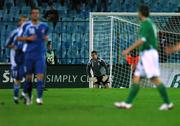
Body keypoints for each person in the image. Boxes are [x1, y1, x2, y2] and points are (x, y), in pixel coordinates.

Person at [114, 4, 173, 110]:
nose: (137, 13)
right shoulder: (149, 23)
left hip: (148, 54)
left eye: (138, 12)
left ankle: (168, 103)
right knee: (136, 78)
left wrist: (128, 50)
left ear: (141, 13)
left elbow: (142, 40)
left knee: (154, 79)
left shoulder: (146, 23)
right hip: (147, 54)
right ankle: (128, 103)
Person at [17, 7, 48, 105]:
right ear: (31, 14)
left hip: (39, 55)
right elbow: (19, 38)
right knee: (28, 78)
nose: (35, 15)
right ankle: (26, 95)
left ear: (39, 14)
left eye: (37, 13)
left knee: (39, 77)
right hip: (29, 55)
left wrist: (45, 38)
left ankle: (39, 98)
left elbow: (45, 37)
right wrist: (28, 38)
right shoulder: (26, 26)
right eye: (34, 13)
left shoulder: (44, 26)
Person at [5, 16, 27, 104]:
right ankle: (15, 97)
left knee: (28, 76)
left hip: (25, 59)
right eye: (23, 21)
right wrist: (16, 47)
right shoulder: (14, 33)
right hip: (15, 60)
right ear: (19, 22)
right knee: (17, 79)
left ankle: (24, 95)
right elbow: (6, 44)